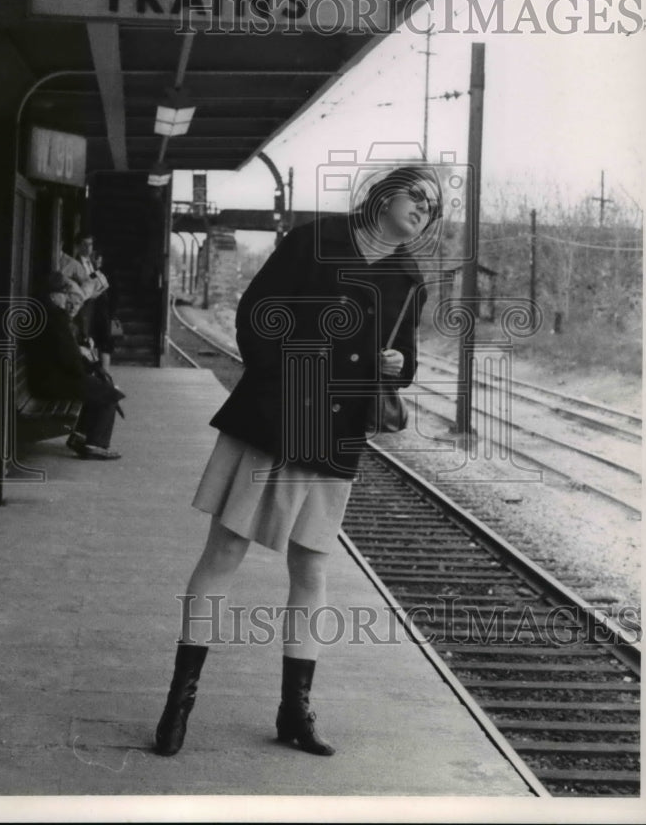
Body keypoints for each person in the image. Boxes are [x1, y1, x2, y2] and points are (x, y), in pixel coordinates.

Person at [153, 165, 442, 758]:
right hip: (273, 419)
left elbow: (406, 362)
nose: (425, 210)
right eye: (419, 196)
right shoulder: (314, 240)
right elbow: (255, 315)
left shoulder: (409, 277)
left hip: (334, 436)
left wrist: (396, 367)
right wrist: (283, 377)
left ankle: (295, 710)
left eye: (435, 208)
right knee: (225, 552)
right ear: (386, 194)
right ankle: (177, 704)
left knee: (311, 569)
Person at [23, 271, 123, 461]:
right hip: (49, 382)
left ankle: (80, 437)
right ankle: (95, 445)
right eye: (64, 294)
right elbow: (69, 359)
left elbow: (62, 352)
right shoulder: (55, 317)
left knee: (94, 386)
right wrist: (84, 368)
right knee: (107, 392)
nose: (66, 299)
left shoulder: (43, 312)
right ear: (54, 294)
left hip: (42, 377)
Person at [88, 248, 116, 370]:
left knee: (103, 344)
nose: (98, 263)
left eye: (99, 261)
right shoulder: (95, 274)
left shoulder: (101, 275)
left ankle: (104, 375)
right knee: (99, 344)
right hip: (96, 313)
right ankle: (102, 375)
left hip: (102, 314)